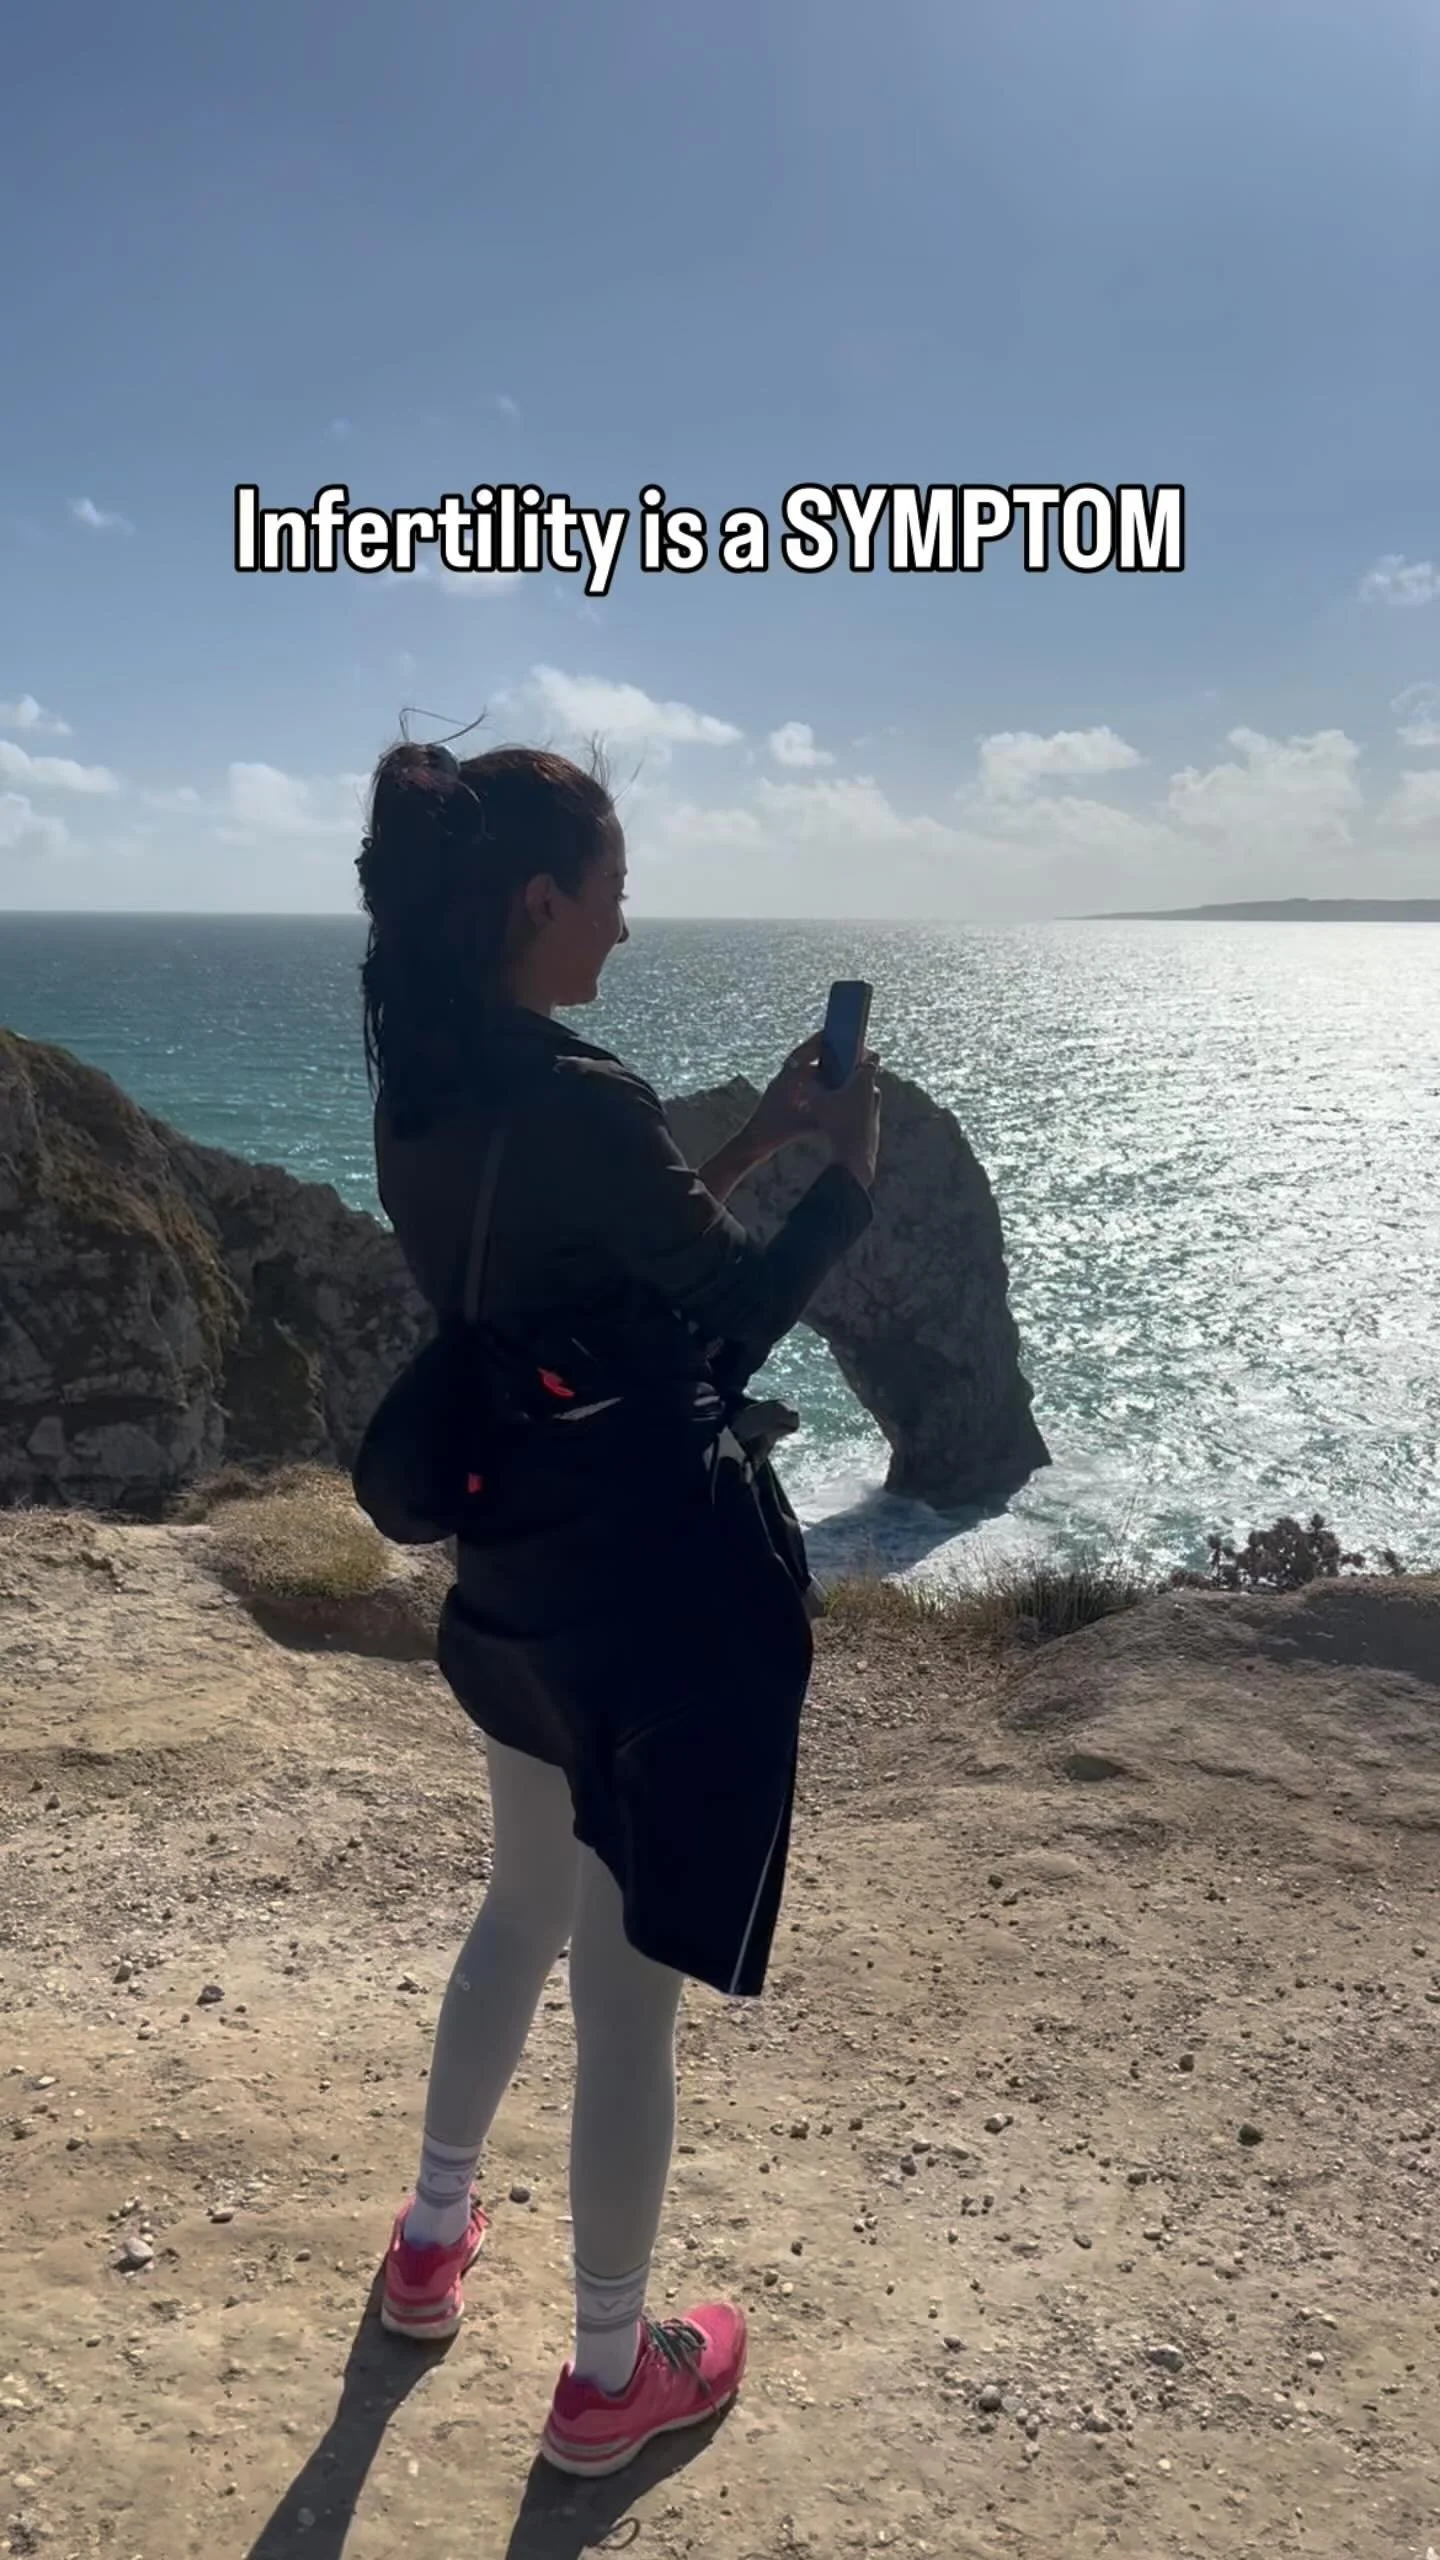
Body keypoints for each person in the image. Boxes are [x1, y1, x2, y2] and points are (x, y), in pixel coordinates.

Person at [356, 737, 880, 2478]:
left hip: (513, 1572)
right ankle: (606, 2375)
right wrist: (847, 1173)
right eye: (613, 893)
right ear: (538, 900)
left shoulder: (425, 1088)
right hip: (644, 1600)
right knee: (626, 1989)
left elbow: (583, 1260)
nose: (626, 926)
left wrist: (754, 1138)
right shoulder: (581, 1100)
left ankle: (431, 2243)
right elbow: (724, 1321)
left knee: (518, 1906)